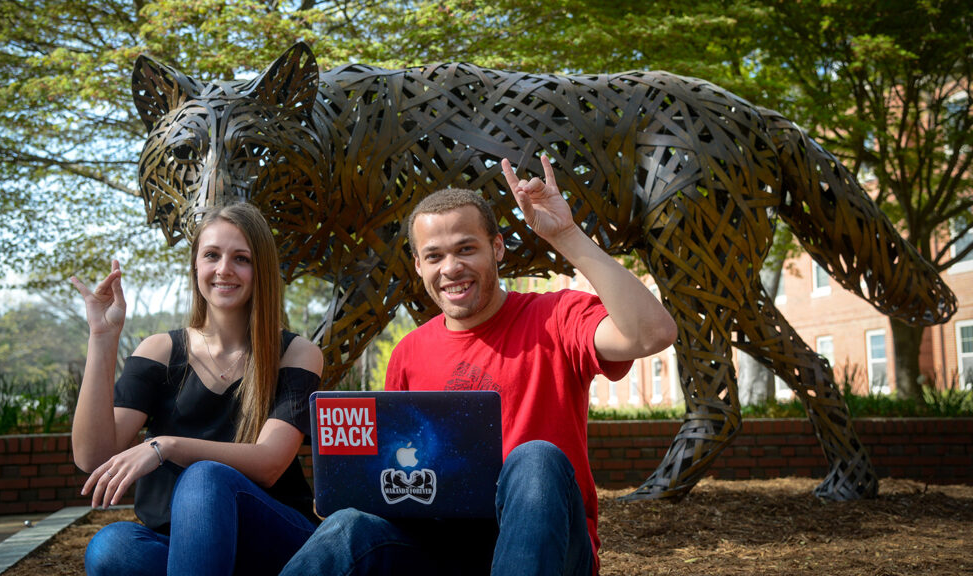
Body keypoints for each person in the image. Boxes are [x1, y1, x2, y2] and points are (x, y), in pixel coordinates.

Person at [280, 154, 678, 576]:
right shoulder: (408, 353)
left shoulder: (558, 316)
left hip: (547, 545)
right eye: (434, 256)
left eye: (466, 249)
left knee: (536, 458)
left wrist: (566, 234)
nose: (451, 268)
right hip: (442, 547)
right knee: (347, 527)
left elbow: (651, 333)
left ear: (497, 248)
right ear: (418, 266)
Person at [70, 202, 323, 576]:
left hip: (273, 538)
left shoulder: (297, 353)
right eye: (212, 255)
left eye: (241, 258)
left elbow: (269, 464)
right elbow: (93, 457)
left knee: (205, 477)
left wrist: (166, 446)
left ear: (262, 270)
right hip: (179, 544)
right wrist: (102, 338)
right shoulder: (160, 351)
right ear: (195, 266)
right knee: (112, 548)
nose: (224, 269)